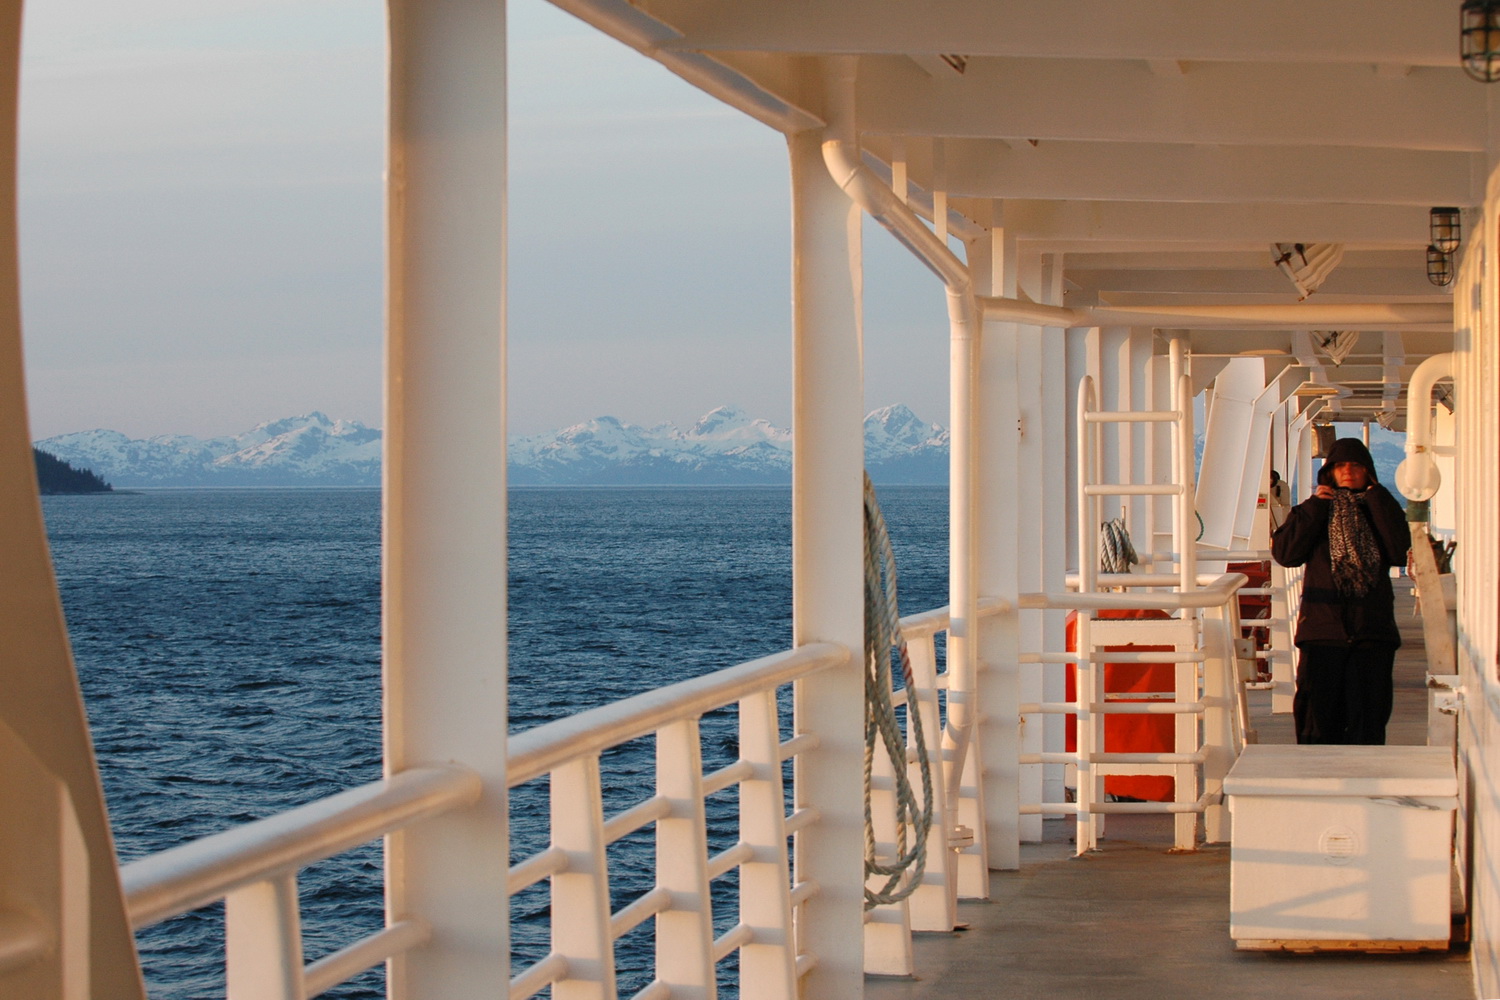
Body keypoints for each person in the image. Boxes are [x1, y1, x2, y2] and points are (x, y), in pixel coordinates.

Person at [1270, 438, 1410, 744]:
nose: (1348, 471)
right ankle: (1318, 781)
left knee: (1368, 717)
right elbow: (1287, 554)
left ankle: (1365, 784)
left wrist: (1377, 498)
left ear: (1368, 472)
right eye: (1340, 465)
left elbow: (1399, 551)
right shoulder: (1314, 511)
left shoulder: (1379, 507)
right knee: (1317, 717)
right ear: (1329, 472)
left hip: (1371, 631)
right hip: (1323, 632)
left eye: (1356, 465)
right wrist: (1315, 506)